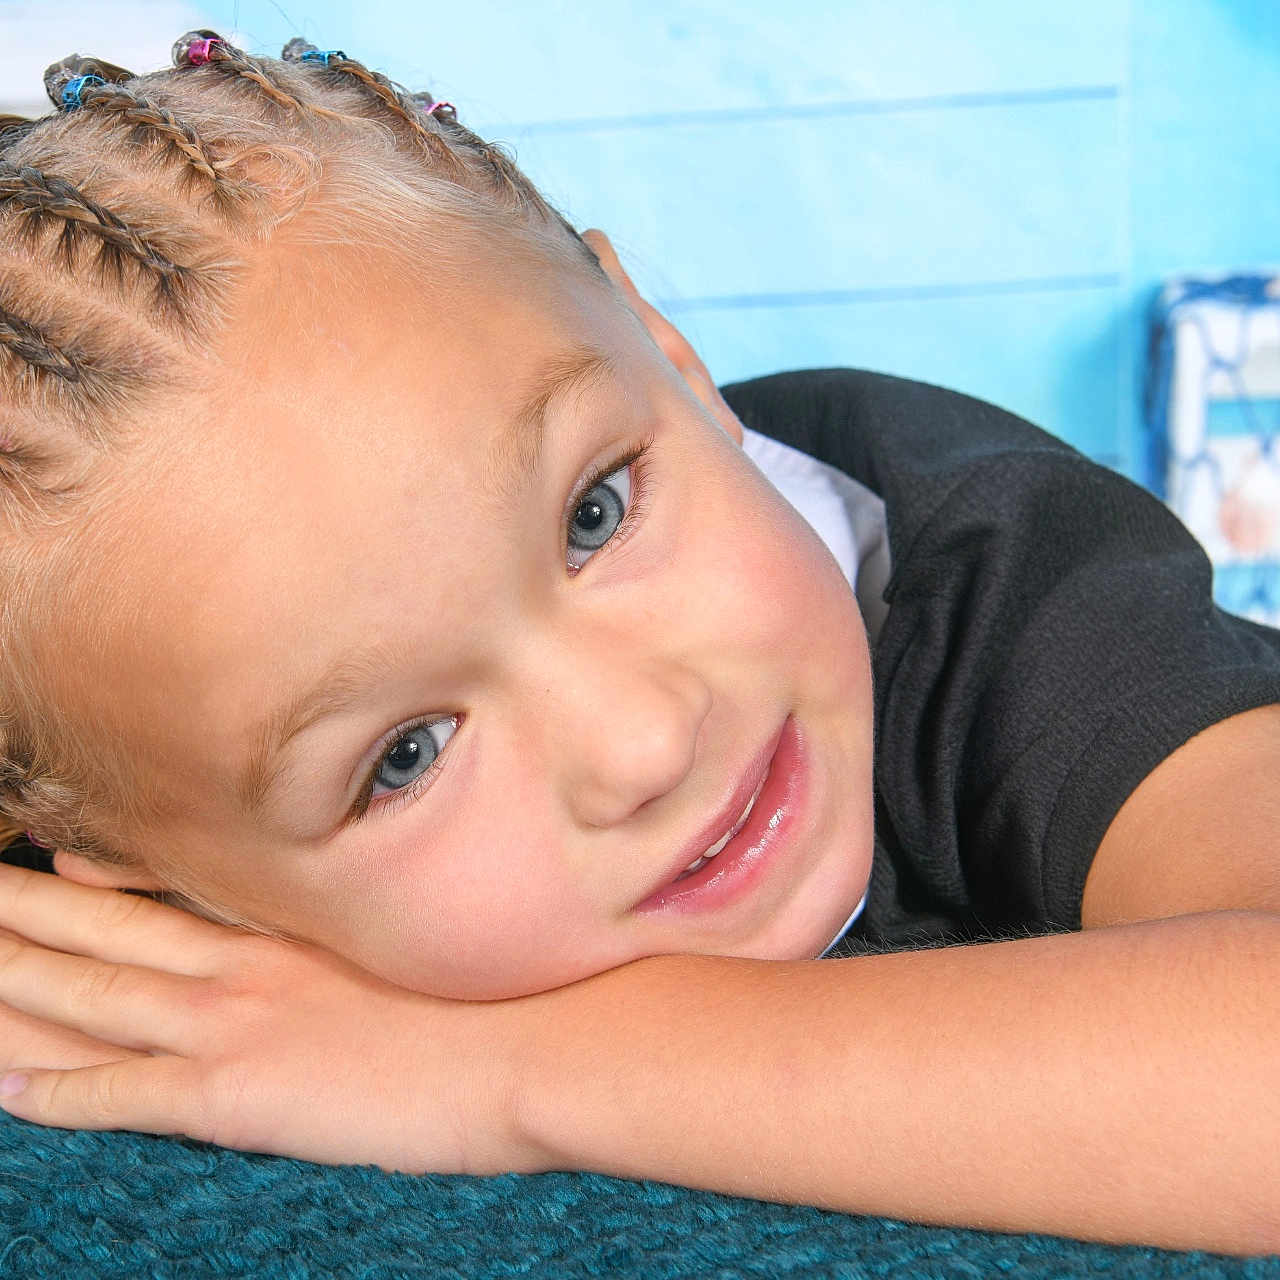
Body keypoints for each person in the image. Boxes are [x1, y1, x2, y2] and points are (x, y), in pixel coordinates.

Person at [0, 32, 1277, 1257]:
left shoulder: (993, 577)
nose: (645, 741)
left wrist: (496, 1073)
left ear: (665, 348)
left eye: (594, 513)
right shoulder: (117, 785)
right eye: (404, 756)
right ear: (153, 877)